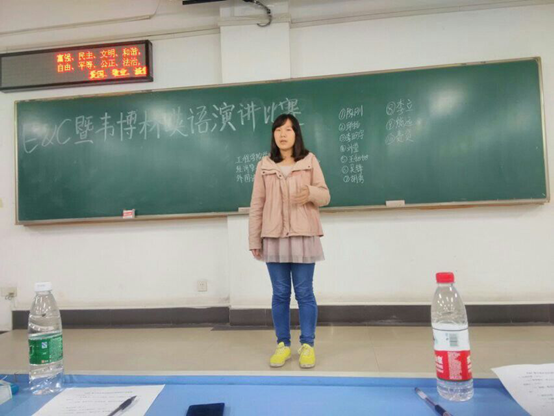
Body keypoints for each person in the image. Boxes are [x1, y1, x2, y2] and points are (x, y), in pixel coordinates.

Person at [249, 113, 330, 369]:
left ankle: (308, 345)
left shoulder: (309, 160)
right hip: (274, 237)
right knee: (280, 294)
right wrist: (254, 239)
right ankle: (282, 345)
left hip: (303, 235)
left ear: (296, 134)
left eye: (288, 129)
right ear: (273, 135)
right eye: (278, 130)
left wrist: (310, 193)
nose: (282, 134)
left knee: (305, 293)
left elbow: (325, 196)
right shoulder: (264, 165)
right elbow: (257, 204)